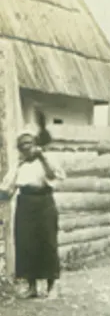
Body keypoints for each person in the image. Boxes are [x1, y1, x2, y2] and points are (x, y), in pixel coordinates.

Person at [0, 118, 64, 299]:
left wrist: (42, 157)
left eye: (29, 143)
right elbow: (7, 188)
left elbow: (54, 176)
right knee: (26, 244)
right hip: (25, 203)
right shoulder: (18, 165)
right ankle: (32, 286)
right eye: (22, 145)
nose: (26, 147)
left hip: (44, 202)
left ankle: (52, 285)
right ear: (19, 148)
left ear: (35, 143)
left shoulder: (46, 159)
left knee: (47, 242)